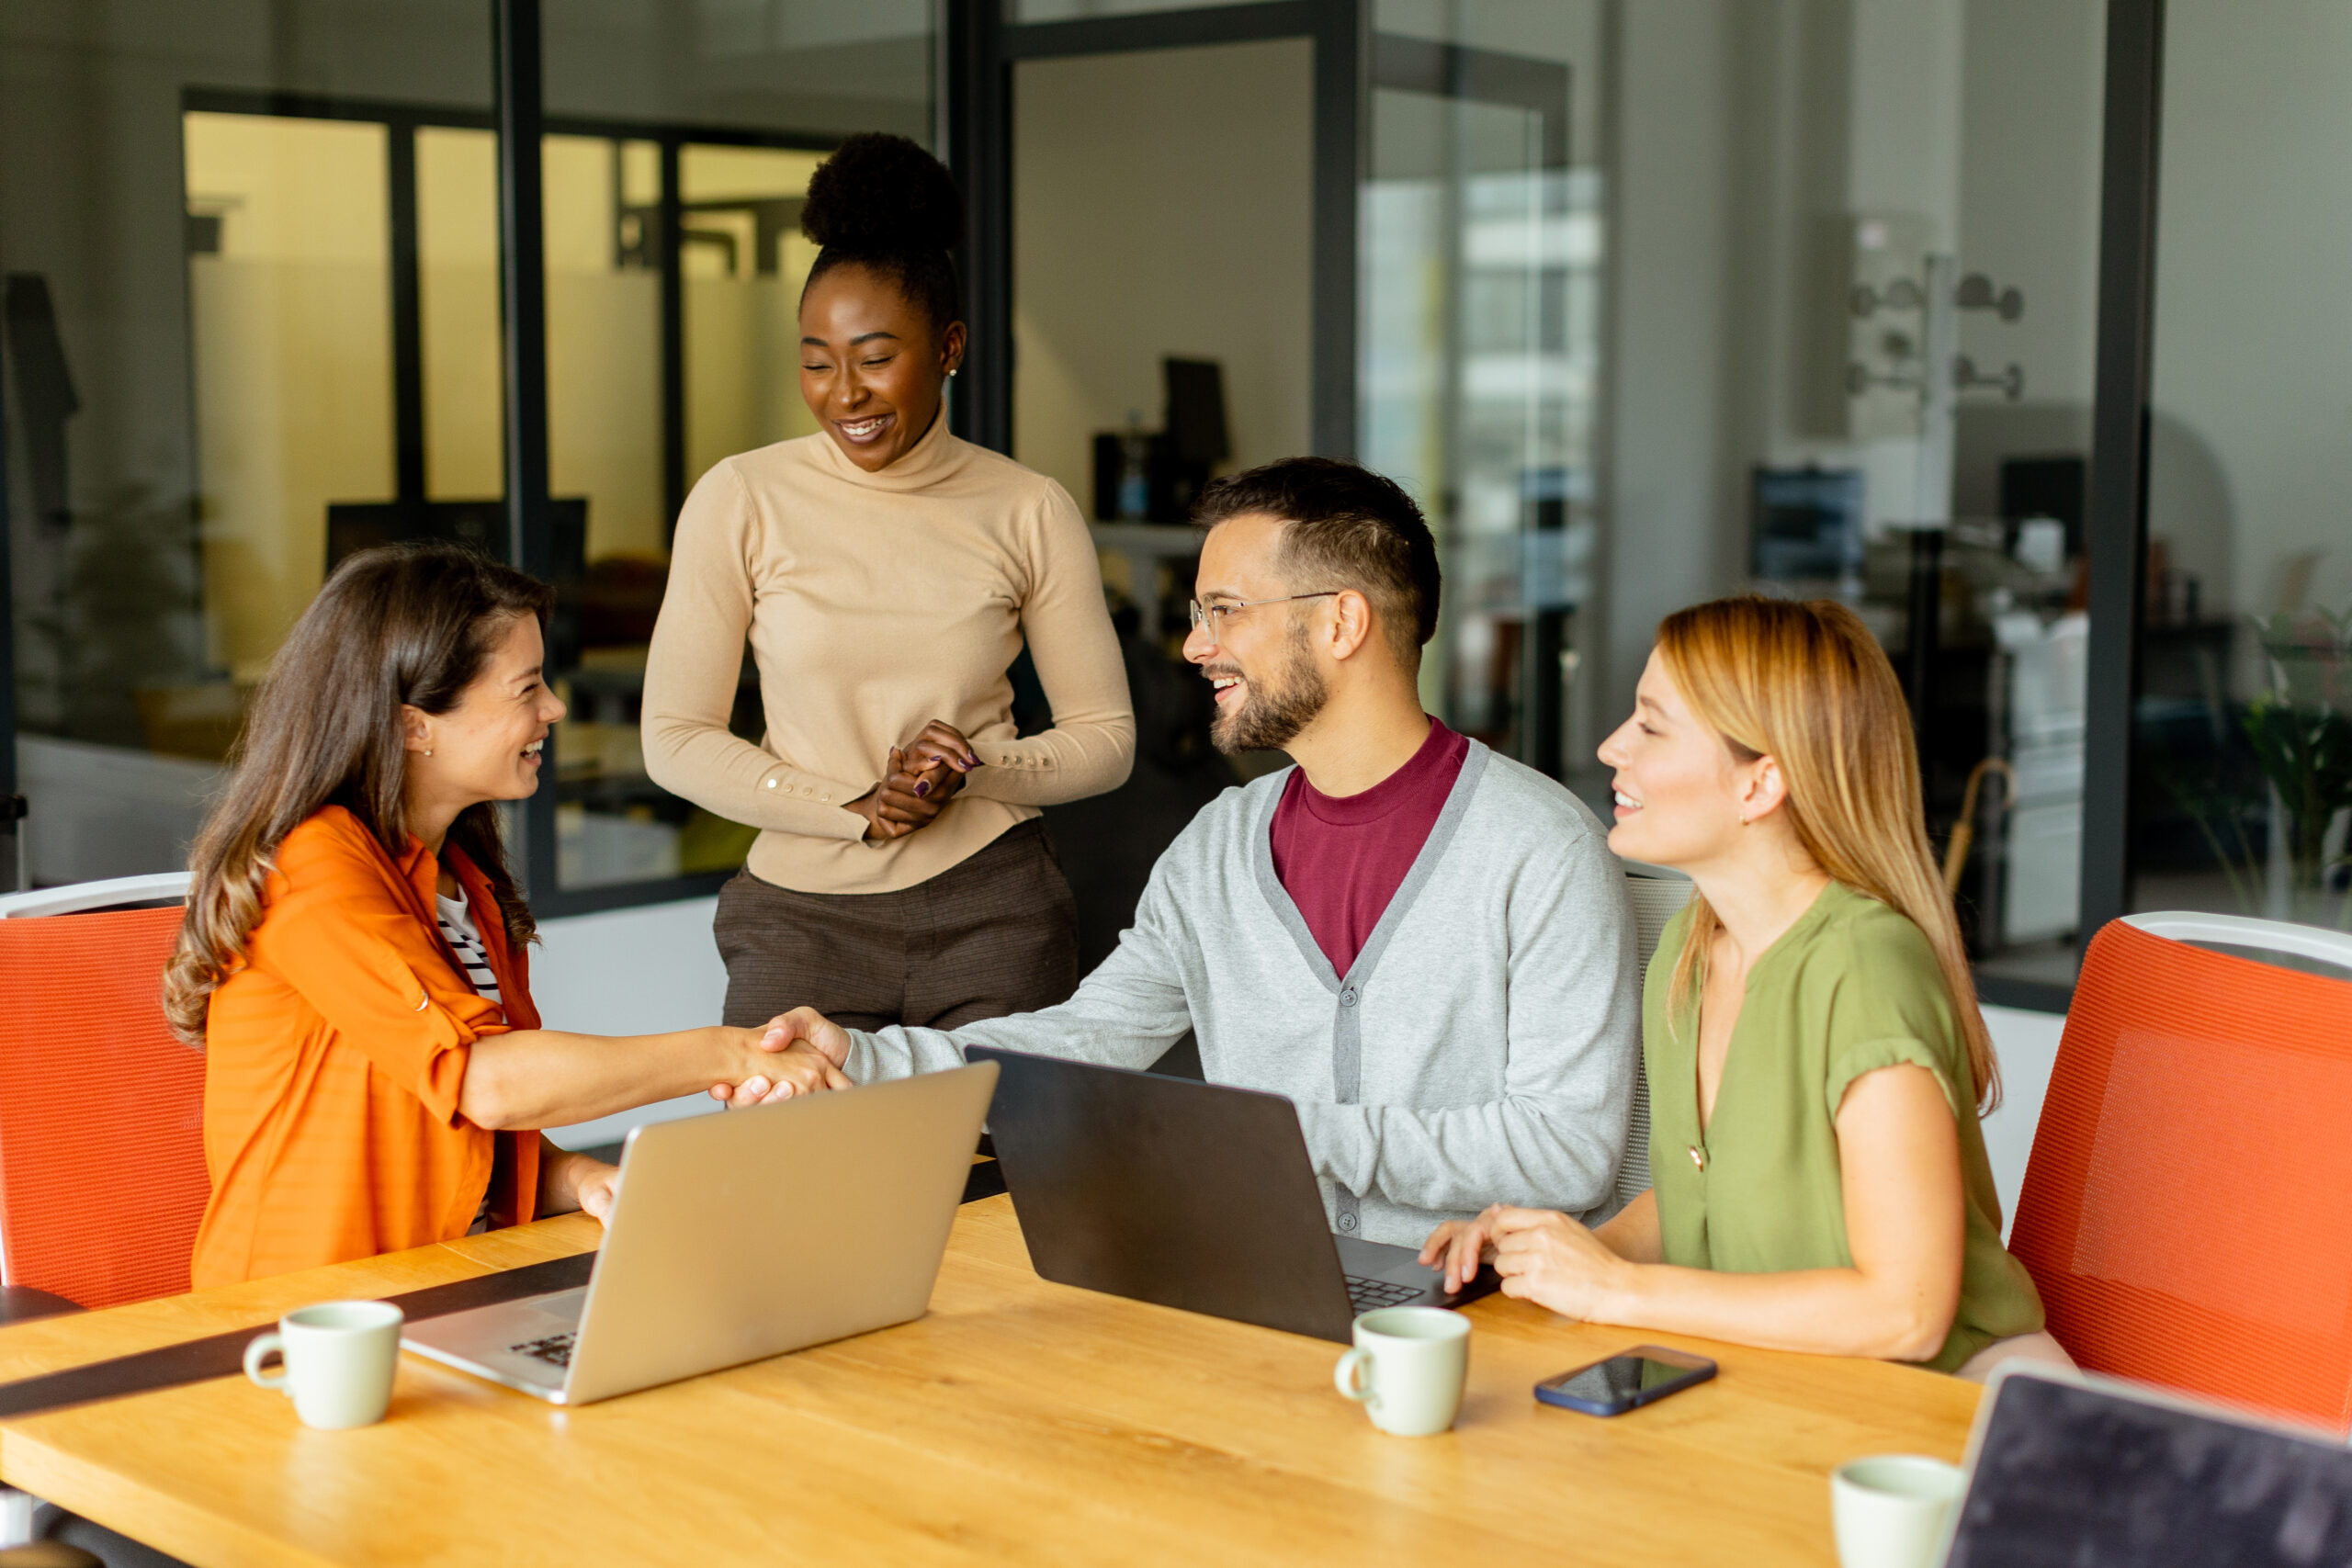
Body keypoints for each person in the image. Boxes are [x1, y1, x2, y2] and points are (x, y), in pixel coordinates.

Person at [741, 457, 1642, 1247]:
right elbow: (1083, 1041)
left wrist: (1289, 1135)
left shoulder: (1539, 849)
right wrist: (861, 1057)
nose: (1193, 646)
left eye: (1224, 611)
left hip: (1474, 1312)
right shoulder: (1219, 848)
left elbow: (1566, 1152)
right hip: (1261, 1281)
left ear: (1339, 624)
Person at [1422, 596, 2071, 1380]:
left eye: (1651, 726)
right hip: (1786, 1385)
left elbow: (1908, 1310)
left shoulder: (1865, 968)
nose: (1609, 746)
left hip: (1956, 1407)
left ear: (1760, 784)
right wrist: (1551, 1254)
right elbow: (1698, 1196)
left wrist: (1620, 1289)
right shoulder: (1691, 954)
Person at [166, 544, 842, 1290]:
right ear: (415, 725)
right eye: (526, 688)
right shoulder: (313, 867)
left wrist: (580, 1177)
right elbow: (482, 1083)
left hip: (450, 1287)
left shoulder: (460, 879)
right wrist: (731, 1053)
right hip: (304, 1321)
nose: (554, 706)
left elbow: (467, 1132)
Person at [641, 131, 1133, 1038]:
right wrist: (848, 807)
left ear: (948, 347)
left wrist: (980, 768)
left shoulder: (1028, 507)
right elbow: (674, 738)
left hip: (996, 912)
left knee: (1008, 1175)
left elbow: (1106, 739)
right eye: (817, 361)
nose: (843, 395)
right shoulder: (740, 498)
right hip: (800, 925)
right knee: (790, 1178)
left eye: (874, 358)